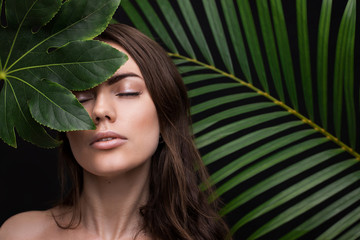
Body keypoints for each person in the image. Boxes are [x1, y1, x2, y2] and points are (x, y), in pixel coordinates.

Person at [0, 24, 230, 240]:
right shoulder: (20, 233)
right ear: (64, 127)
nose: (100, 110)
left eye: (127, 92)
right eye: (80, 98)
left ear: (164, 114)